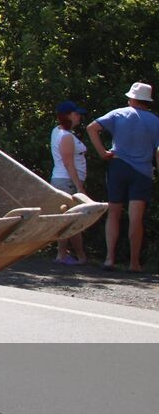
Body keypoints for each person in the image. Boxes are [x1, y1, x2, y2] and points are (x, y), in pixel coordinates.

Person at [88, 82, 159, 272]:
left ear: (133, 99)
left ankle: (109, 259)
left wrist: (103, 152)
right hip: (142, 171)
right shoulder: (155, 121)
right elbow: (158, 151)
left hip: (118, 166)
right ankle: (134, 263)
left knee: (114, 213)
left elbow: (91, 128)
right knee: (136, 218)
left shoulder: (119, 113)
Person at [49, 100, 89, 265]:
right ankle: (71, 256)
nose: (79, 117)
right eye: (76, 114)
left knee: (69, 219)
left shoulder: (58, 131)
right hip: (67, 182)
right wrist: (79, 186)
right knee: (72, 220)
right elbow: (68, 163)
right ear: (67, 115)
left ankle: (70, 255)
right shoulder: (65, 136)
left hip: (64, 180)